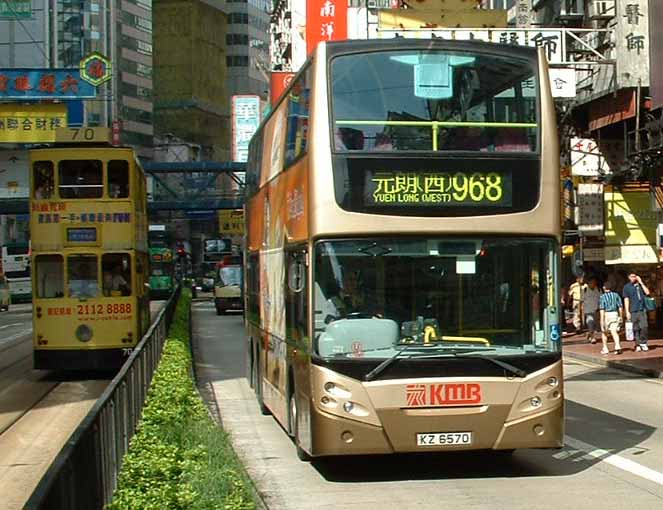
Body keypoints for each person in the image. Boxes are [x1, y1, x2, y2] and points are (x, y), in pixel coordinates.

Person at [622, 272, 651, 352]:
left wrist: (641, 282)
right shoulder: (626, 287)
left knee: (644, 326)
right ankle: (637, 344)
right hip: (633, 310)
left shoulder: (640, 285)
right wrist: (627, 311)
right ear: (628, 277)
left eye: (635, 276)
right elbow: (626, 299)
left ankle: (643, 342)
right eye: (632, 276)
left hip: (642, 309)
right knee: (635, 328)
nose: (633, 278)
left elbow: (647, 292)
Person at [599, 281, 623, 355]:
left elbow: (602, 310)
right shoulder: (616, 295)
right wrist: (621, 316)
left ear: (604, 288)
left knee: (604, 332)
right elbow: (620, 307)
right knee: (614, 331)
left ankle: (605, 348)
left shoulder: (602, 297)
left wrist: (601, 321)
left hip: (607, 314)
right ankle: (617, 346)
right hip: (615, 314)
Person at [583, 278, 601, 344]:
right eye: (591, 282)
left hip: (596, 310)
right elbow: (582, 301)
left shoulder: (598, 289)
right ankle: (593, 338)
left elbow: (601, 300)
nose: (593, 284)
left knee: (595, 326)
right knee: (590, 323)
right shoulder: (584, 290)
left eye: (594, 282)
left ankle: (589, 334)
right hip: (588, 311)